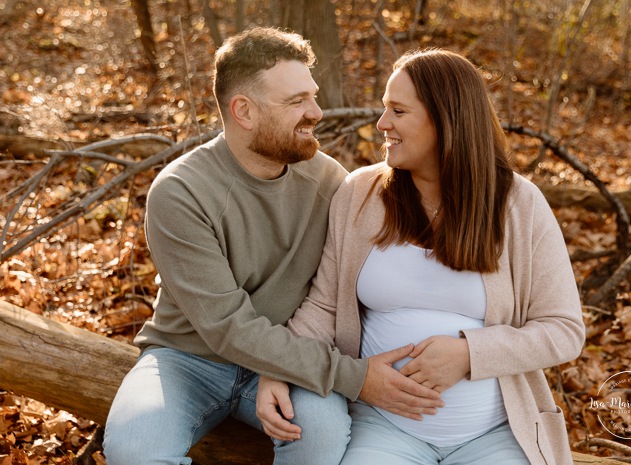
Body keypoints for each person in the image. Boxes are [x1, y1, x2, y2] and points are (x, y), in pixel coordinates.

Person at [103, 28, 442, 465]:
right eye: (296, 101)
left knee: (320, 438)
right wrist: (356, 378)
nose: (316, 112)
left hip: (294, 357)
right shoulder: (181, 192)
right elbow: (227, 327)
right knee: (135, 453)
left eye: (313, 96)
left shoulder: (329, 182)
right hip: (187, 361)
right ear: (243, 110)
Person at [257, 48, 586, 465]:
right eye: (383, 109)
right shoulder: (361, 194)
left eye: (398, 111)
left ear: (446, 119)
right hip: (382, 427)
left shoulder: (517, 204)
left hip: (496, 434)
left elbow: (564, 330)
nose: (382, 124)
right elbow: (323, 307)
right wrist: (278, 368)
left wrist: (469, 354)